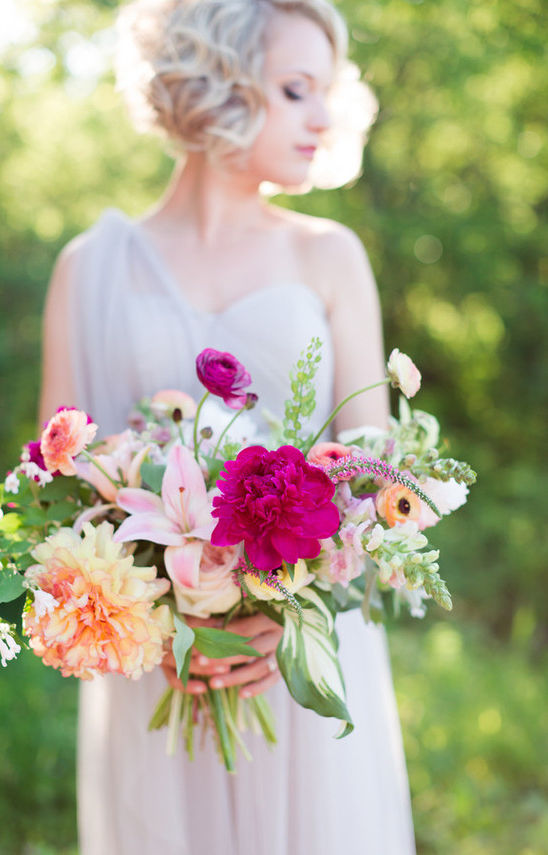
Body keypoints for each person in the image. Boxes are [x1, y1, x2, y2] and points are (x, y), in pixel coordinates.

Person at [39, 0, 417, 852]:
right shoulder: (88, 267)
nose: (324, 116)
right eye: (294, 89)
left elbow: (377, 472)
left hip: (303, 666)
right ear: (217, 84)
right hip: (154, 672)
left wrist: (284, 616)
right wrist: (162, 628)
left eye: (327, 90)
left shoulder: (329, 254)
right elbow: (60, 490)